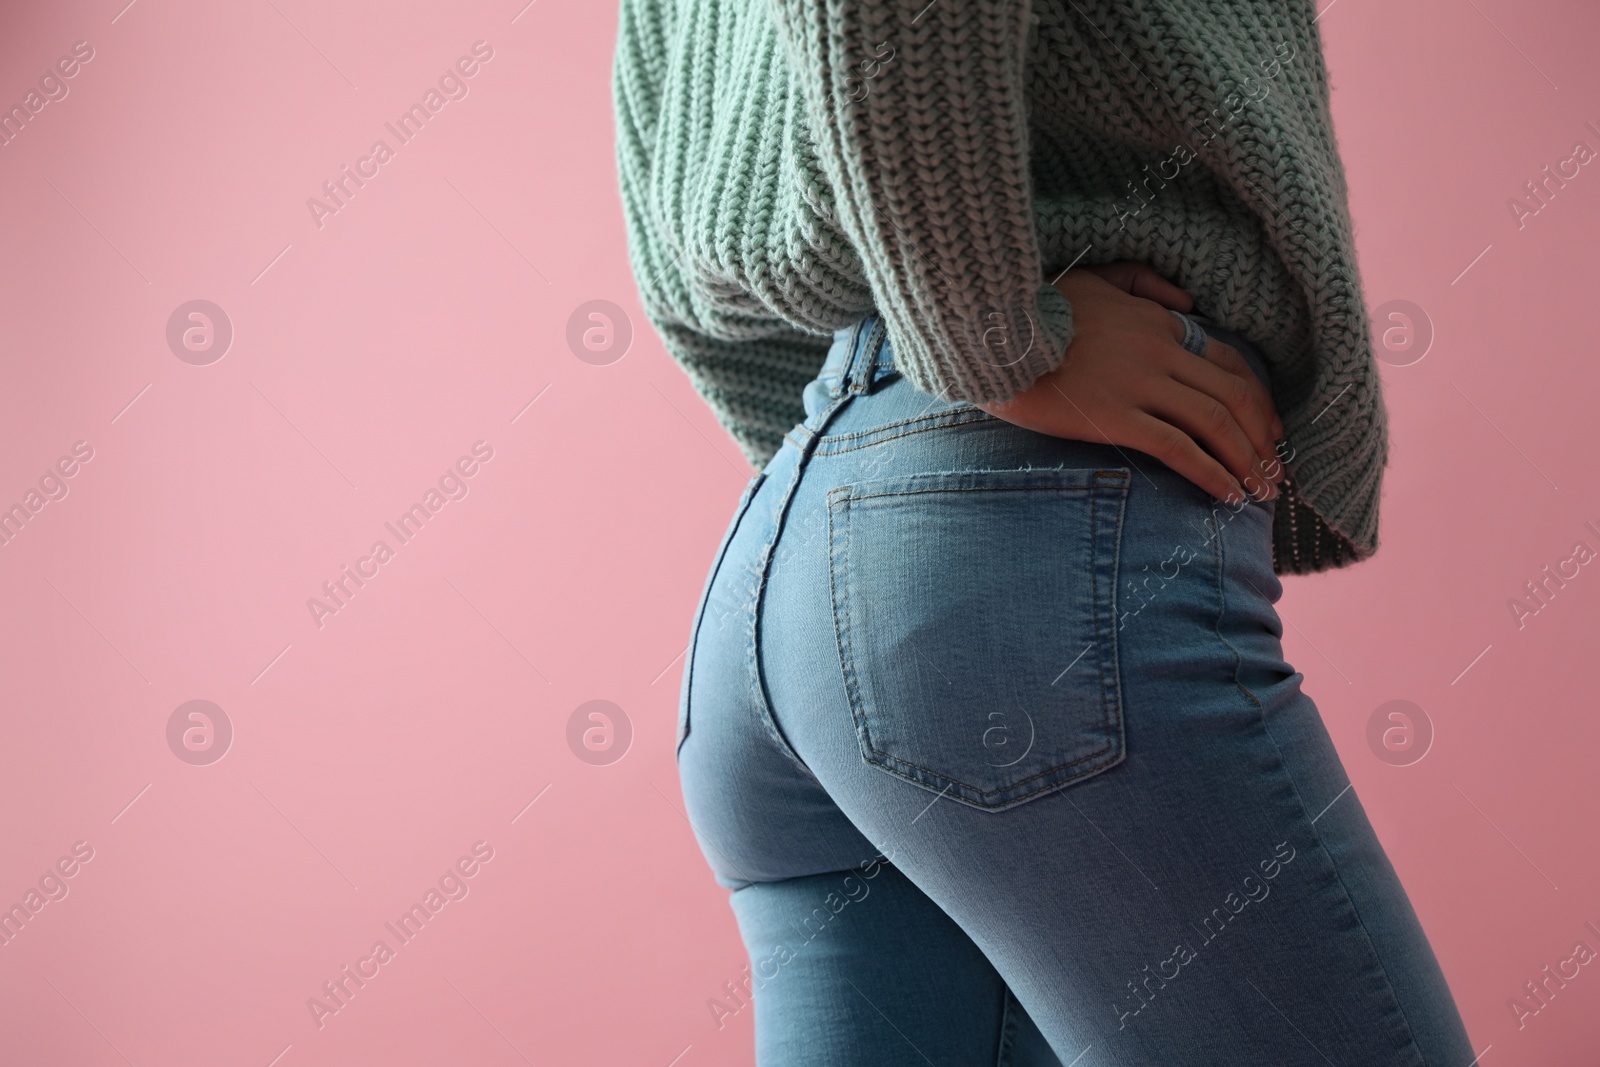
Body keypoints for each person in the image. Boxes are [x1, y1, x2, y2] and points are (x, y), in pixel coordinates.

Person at [613, 0, 1478, 1062]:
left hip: (780, 579)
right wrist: (997, 350)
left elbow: (673, 235)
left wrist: (884, 472)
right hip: (999, 582)